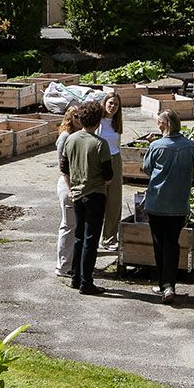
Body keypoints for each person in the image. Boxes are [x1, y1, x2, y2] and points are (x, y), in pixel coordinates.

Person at [141, 109, 194, 304]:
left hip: (157, 201)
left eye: (159, 122)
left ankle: (164, 284)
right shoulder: (190, 146)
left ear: (164, 124)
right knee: (172, 243)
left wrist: (151, 146)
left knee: (159, 243)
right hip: (179, 203)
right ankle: (169, 284)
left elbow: (147, 169)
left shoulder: (156, 146)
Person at [61, 100, 112, 295]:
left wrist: (72, 188)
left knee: (79, 236)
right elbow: (108, 175)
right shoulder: (100, 144)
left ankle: (75, 277)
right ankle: (86, 282)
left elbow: (64, 168)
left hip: (77, 194)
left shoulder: (71, 139)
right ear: (98, 121)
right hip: (95, 195)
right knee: (91, 239)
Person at [53, 106, 82, 277]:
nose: (79, 119)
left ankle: (70, 262)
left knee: (74, 225)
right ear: (70, 118)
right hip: (67, 183)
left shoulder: (78, 135)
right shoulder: (65, 137)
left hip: (75, 183)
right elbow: (63, 167)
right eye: (76, 117)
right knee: (68, 225)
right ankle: (63, 266)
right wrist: (70, 188)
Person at [97, 92, 124, 248]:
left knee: (114, 200)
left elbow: (117, 143)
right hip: (100, 161)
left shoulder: (116, 122)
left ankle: (109, 238)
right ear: (104, 103)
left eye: (116, 104)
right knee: (99, 199)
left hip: (115, 159)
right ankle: (96, 236)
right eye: (110, 103)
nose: (112, 107)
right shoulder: (98, 121)